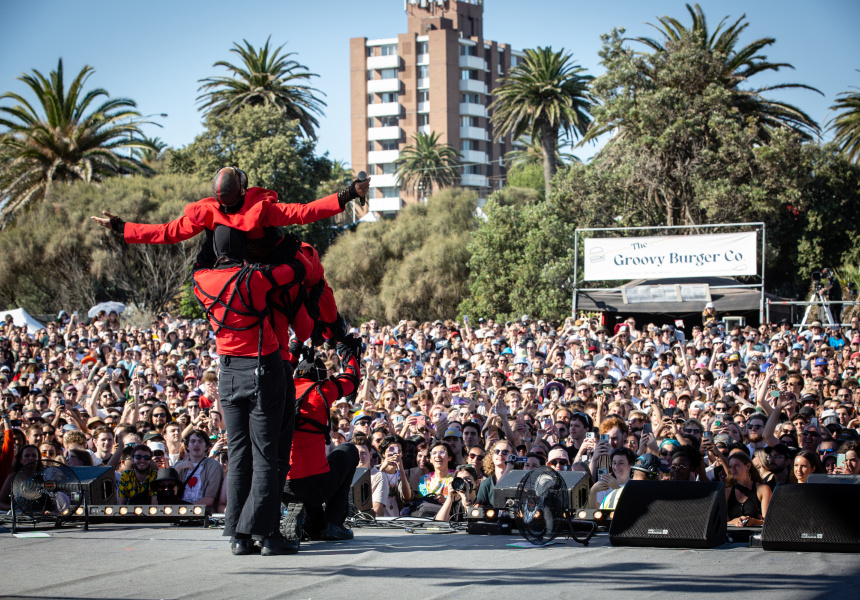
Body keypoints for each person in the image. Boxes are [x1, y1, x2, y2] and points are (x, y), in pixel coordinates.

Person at [192, 226, 309, 557]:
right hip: (262, 368)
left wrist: (209, 226)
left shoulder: (201, 281)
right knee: (267, 456)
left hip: (226, 373)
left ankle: (238, 537)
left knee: (239, 455)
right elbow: (296, 271)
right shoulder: (252, 279)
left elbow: (199, 262)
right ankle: (265, 533)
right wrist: (288, 244)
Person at [280, 337, 362, 548]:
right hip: (317, 481)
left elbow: (278, 367)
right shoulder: (322, 389)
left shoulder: (279, 389)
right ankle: (334, 523)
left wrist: (293, 351)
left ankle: (305, 517)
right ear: (319, 377)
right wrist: (349, 354)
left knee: (313, 527)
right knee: (349, 449)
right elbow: (351, 379)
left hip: (283, 483)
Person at [173, 429, 223, 509]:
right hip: (180, 512)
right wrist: (177, 470)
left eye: (200, 441)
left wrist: (187, 509)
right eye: (193, 441)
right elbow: (170, 493)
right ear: (187, 446)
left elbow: (209, 499)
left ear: (206, 447)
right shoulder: (178, 465)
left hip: (203, 513)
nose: (196, 444)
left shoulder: (214, 466)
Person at [725, 452, 771, 527]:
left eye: (736, 465)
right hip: (732, 535)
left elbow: (768, 522)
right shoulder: (726, 492)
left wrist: (753, 521)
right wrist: (733, 522)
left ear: (748, 466)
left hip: (756, 535)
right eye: (730, 466)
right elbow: (723, 523)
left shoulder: (763, 489)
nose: (733, 469)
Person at [475, 440, 515, 507]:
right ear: (492, 457)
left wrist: (509, 467)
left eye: (505, 452)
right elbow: (478, 509)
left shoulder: (518, 481)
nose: (500, 454)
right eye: (497, 451)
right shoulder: (486, 484)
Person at [0, 444, 41, 510]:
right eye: (27, 456)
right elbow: (0, 502)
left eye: (34, 455)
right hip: (19, 517)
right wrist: (12, 508)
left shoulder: (44, 476)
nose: (31, 458)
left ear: (38, 458)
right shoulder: (13, 477)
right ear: (20, 460)